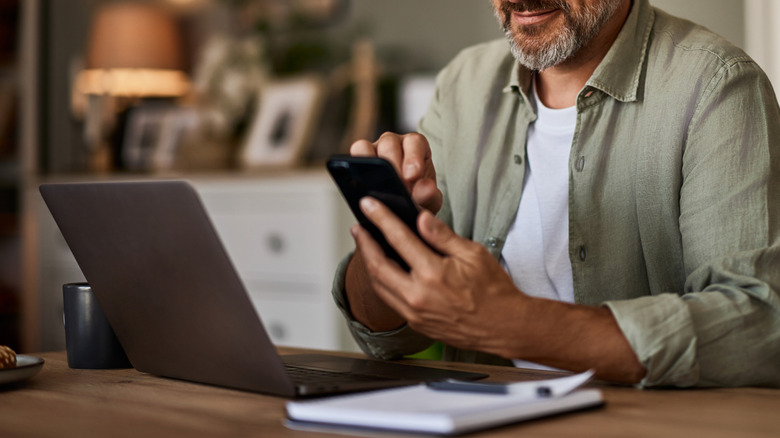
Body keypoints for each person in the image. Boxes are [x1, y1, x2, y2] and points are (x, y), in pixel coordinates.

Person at [331, 0, 780, 388]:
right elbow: (385, 334)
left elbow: (757, 327)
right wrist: (391, 238)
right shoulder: (462, 84)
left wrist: (512, 322)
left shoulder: (717, 86)